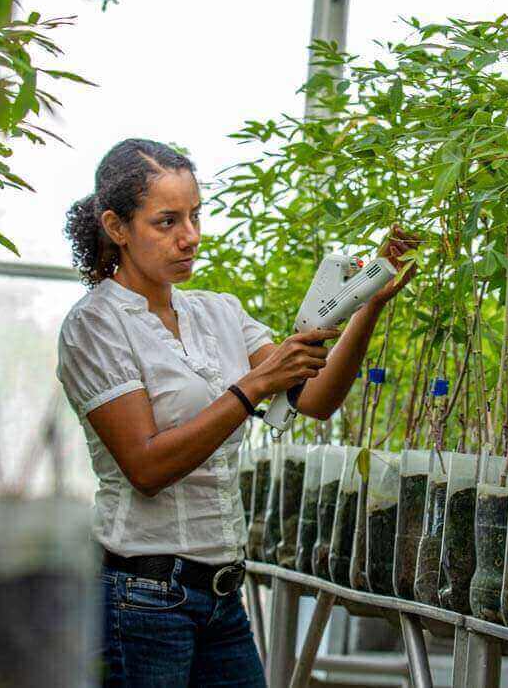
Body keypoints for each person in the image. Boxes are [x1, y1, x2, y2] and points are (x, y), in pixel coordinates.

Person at [56, 138, 417, 687]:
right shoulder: (96, 325)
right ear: (117, 226)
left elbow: (313, 400)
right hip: (142, 599)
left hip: (223, 595)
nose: (190, 237)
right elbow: (146, 468)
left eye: (196, 216)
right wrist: (251, 386)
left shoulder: (217, 313)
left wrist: (365, 304)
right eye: (167, 221)